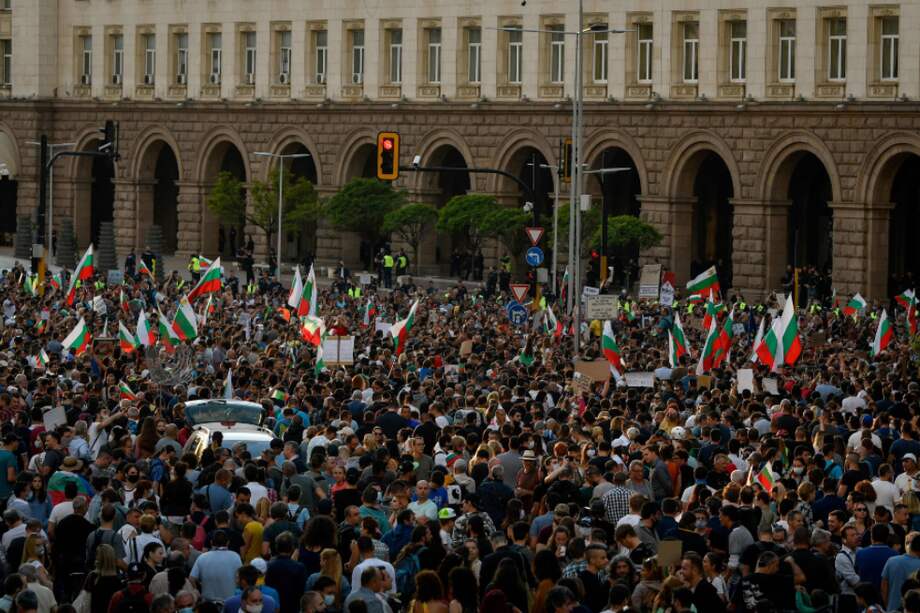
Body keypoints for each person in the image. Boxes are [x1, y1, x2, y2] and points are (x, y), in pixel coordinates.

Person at [190, 529, 242, 603]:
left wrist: (198, 590)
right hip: (230, 601)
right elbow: (241, 577)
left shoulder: (202, 557)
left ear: (211, 542)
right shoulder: (235, 556)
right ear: (227, 543)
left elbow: (191, 578)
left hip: (208, 602)